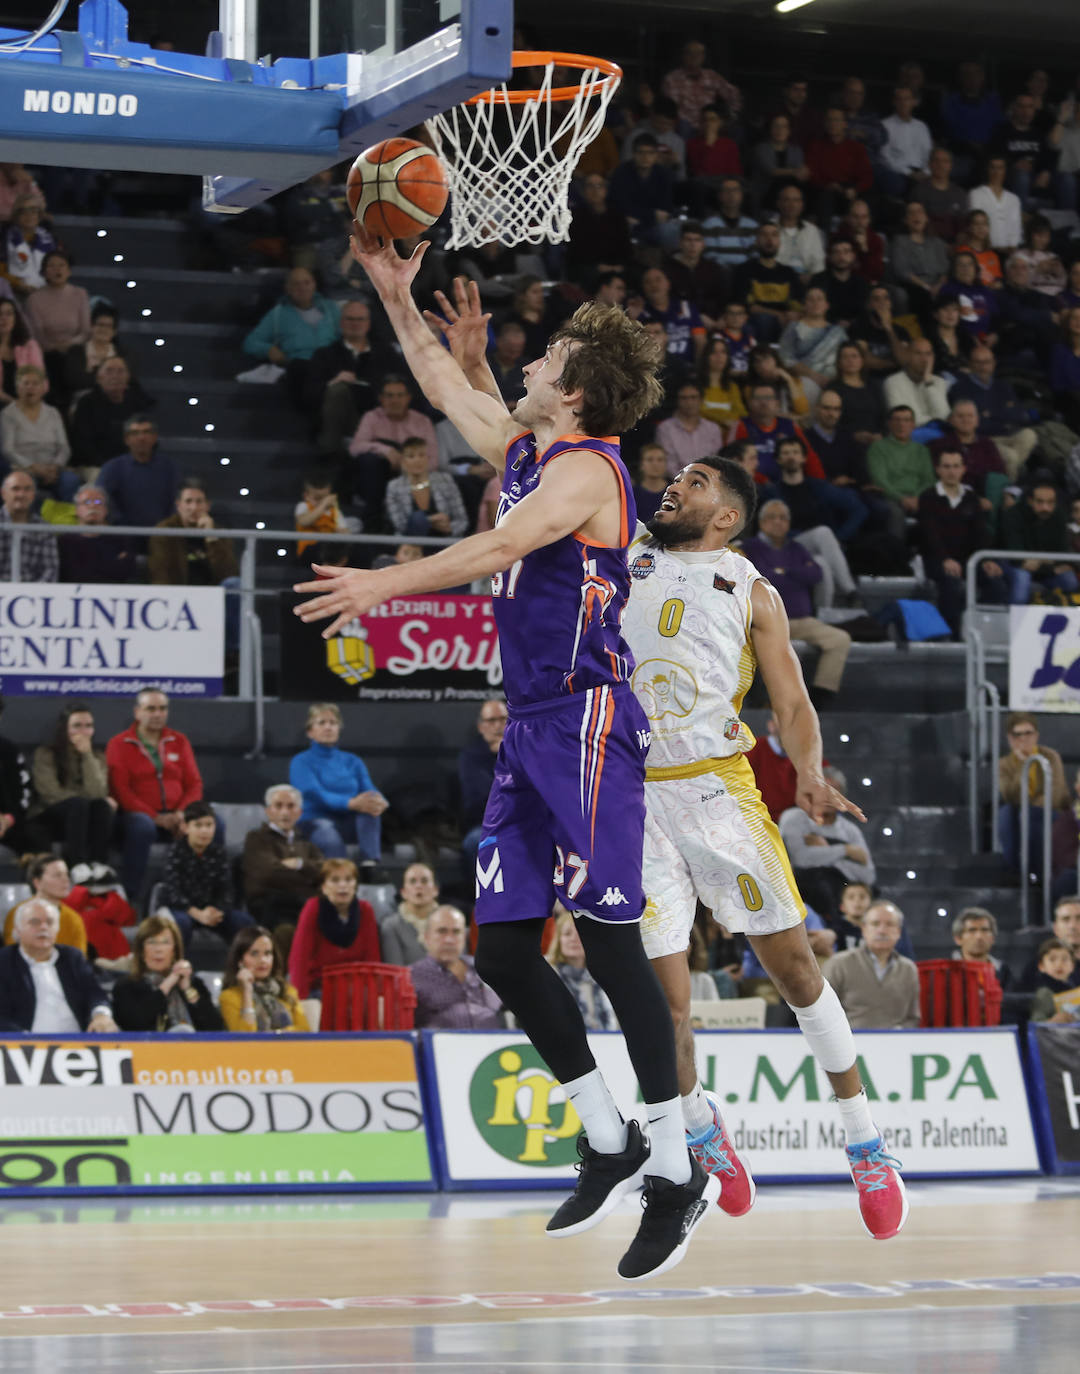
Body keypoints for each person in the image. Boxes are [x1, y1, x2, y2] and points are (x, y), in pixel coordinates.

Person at [295, 246, 721, 1277]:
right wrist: (398, 299)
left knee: (612, 946)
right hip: (530, 725)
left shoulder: (585, 470)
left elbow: (493, 552)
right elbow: (449, 386)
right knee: (501, 951)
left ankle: (676, 1170)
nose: (523, 362)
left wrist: (381, 586)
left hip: (587, 720)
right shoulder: (534, 449)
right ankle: (608, 1134)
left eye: (545, 358)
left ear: (572, 391)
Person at [622, 455, 907, 1239]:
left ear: (727, 517)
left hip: (718, 790)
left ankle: (864, 1140)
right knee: (664, 1003)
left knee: (795, 971)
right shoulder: (624, 548)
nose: (673, 485)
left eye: (696, 482)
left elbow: (791, 698)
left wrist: (809, 771)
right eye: (674, 476)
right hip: (630, 800)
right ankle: (702, 1125)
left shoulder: (751, 586)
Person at [742, 500, 852, 708]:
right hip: (767, 622)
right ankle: (767, 703)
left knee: (840, 639)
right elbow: (763, 579)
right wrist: (792, 573)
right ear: (762, 522)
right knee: (772, 649)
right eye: (773, 517)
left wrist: (783, 572)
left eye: (783, 518)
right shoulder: (750, 548)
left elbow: (815, 574)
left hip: (802, 621)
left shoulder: (797, 548)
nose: (778, 522)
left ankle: (821, 697)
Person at [105, 688, 206, 902]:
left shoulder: (179, 741)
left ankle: (202, 896)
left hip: (177, 815)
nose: (157, 714)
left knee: (213, 824)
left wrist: (181, 814)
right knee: (142, 827)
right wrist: (155, 817)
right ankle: (129, 899)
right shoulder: (119, 744)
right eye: (151, 708)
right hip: (138, 817)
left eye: (162, 708)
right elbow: (120, 790)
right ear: (137, 712)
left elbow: (194, 784)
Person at [918, 448, 1005, 635]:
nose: (952, 471)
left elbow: (980, 533)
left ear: (963, 469)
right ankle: (952, 635)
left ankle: (981, 630)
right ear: (938, 470)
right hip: (936, 559)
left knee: (996, 582)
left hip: (968, 560)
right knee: (950, 582)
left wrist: (986, 559)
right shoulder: (927, 497)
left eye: (956, 466)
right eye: (947, 466)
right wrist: (945, 559)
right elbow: (929, 534)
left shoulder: (972, 499)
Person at [289, 703, 388, 867]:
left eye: (333, 723)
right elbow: (313, 792)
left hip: (347, 821)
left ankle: (370, 865)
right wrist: (350, 803)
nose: (328, 727)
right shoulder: (300, 761)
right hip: (314, 822)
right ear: (310, 732)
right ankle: (339, 873)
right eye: (321, 723)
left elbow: (368, 787)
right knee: (326, 831)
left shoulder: (352, 760)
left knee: (370, 811)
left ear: (339, 729)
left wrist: (379, 801)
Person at [0, 898, 116, 1033]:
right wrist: (23, 1041)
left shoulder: (72, 957)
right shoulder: (4, 961)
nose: (43, 927)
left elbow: (94, 992)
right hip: (23, 1046)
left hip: (79, 1044)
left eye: (50, 922)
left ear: (57, 929)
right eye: (35, 922)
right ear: (18, 931)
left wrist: (101, 1015)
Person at [779, 767, 876, 917]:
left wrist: (826, 850)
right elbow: (801, 859)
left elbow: (867, 875)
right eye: (821, 790)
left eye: (834, 791)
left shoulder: (850, 831)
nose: (826, 797)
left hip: (841, 906)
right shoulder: (794, 818)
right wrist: (846, 852)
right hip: (800, 899)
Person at [30, 702, 115, 868]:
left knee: (102, 806)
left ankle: (99, 865)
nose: (83, 732)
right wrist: (81, 801)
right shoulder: (46, 754)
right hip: (50, 816)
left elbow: (98, 792)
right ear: (64, 728)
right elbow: (49, 793)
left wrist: (87, 756)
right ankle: (77, 865)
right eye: (77, 726)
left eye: (88, 726)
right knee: (79, 805)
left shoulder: (97, 757)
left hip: (83, 817)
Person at [162, 800, 254, 953]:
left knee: (244, 922)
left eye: (209, 825)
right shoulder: (174, 853)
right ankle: (176, 968)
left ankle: (243, 969)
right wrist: (197, 913)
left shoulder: (219, 853)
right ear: (185, 827)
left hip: (212, 911)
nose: (204, 831)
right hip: (184, 910)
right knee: (180, 924)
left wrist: (216, 910)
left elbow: (227, 890)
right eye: (198, 825)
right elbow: (172, 893)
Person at [111, 913, 223, 1032]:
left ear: (174, 950)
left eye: (165, 942)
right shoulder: (126, 986)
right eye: (152, 942)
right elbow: (135, 1023)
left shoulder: (194, 984)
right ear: (141, 951)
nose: (158, 949)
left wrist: (187, 989)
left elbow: (214, 1028)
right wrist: (167, 984)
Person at [288, 858, 380, 1000]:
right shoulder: (313, 908)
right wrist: (300, 1001)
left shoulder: (365, 910)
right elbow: (300, 958)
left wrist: (376, 995)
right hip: (319, 988)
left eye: (349, 879)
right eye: (335, 880)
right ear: (324, 887)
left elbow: (372, 958)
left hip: (355, 989)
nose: (342, 885)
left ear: (355, 885)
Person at [347, 374, 439, 514]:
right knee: (369, 461)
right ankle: (372, 515)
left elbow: (433, 461)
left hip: (414, 476)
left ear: (408, 398)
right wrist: (386, 450)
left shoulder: (422, 421)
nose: (395, 400)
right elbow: (355, 448)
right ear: (381, 399)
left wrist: (407, 465)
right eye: (389, 396)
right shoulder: (372, 417)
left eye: (400, 395)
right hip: (379, 475)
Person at [823, 901, 920, 1030]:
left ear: (899, 932)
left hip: (895, 1046)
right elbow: (823, 1012)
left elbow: (912, 1018)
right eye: (875, 924)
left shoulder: (909, 969)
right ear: (864, 929)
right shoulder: (838, 964)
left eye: (889, 924)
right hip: (848, 1044)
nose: (882, 930)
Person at [241, 784, 325, 929]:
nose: (285, 812)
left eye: (291, 806)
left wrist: (299, 864)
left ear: (299, 812)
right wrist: (308, 878)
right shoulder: (256, 838)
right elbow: (269, 874)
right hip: (270, 905)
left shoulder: (305, 842)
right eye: (278, 806)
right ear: (268, 811)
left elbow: (324, 871)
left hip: (303, 903)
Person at [997, 712, 1069, 873]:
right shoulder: (1004, 764)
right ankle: (1016, 870)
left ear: (1036, 735)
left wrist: (1030, 808)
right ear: (1010, 738)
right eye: (1017, 734)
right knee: (1006, 815)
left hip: (1050, 810)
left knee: (1029, 815)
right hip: (1019, 812)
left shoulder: (1050, 757)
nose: (1023, 739)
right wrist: (1023, 766)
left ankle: (1039, 873)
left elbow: (1056, 792)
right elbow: (1009, 795)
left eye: (1028, 733)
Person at [0, 364, 77, 500]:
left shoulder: (53, 413)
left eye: (35, 383)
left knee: (71, 482)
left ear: (43, 388)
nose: (30, 387)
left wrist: (55, 466)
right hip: (24, 468)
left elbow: (64, 447)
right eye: (26, 383)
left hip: (53, 468)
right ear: (18, 388)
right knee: (26, 484)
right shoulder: (8, 414)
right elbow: (8, 450)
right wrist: (33, 467)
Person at [242, 266, 340, 368]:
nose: (302, 288)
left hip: (330, 367)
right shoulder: (278, 315)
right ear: (287, 288)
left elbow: (346, 338)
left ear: (314, 285)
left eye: (307, 283)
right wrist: (269, 350)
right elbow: (250, 343)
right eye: (296, 284)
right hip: (299, 368)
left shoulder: (331, 308)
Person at [69, 356, 155, 470]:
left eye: (120, 371)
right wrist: (110, 466)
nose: (115, 376)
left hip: (132, 463)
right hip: (95, 465)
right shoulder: (86, 403)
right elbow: (82, 444)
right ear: (99, 377)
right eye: (109, 371)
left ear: (128, 377)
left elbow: (148, 438)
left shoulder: (138, 403)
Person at [220, 924, 310, 1032]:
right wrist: (247, 992)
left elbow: (304, 1031)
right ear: (240, 961)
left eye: (267, 953)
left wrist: (277, 1034)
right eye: (254, 953)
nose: (263, 960)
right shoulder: (229, 997)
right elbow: (244, 1038)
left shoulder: (287, 991)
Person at [1000, 479, 1078, 604]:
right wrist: (1049, 565)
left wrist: (1040, 562)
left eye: (1050, 502)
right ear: (1030, 501)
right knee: (1022, 579)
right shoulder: (1013, 515)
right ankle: (1013, 622)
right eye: (1040, 502)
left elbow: (1063, 554)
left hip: (1044, 568)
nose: (1045, 507)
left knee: (1070, 580)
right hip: (1013, 565)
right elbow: (1017, 557)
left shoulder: (1059, 516)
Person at [96, 414, 178, 530]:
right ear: (126, 439)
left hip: (162, 534)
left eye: (146, 432)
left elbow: (176, 501)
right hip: (122, 534)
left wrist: (167, 526)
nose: (141, 438)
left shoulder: (168, 467)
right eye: (135, 433)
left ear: (155, 437)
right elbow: (101, 500)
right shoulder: (112, 468)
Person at [866, 405, 936, 539]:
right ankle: (897, 556)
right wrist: (902, 499)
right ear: (889, 424)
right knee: (895, 514)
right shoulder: (878, 448)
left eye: (906, 420)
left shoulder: (922, 450)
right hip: (890, 497)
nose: (901, 424)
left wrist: (916, 497)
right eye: (897, 420)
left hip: (917, 497)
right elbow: (879, 480)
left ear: (913, 425)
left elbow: (928, 480)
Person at [457, 700, 508, 885]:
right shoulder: (470, 757)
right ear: (481, 726)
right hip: (486, 824)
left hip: (525, 822)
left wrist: (510, 751)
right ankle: (480, 903)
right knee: (474, 842)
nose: (498, 726)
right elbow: (486, 795)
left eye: (503, 719)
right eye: (491, 720)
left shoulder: (525, 749)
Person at [730, 222, 802, 345]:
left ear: (779, 242)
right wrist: (778, 314)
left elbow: (797, 304)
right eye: (764, 235)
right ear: (757, 241)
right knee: (764, 319)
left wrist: (793, 315)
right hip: (757, 322)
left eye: (774, 235)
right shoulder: (744, 270)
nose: (769, 240)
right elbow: (749, 307)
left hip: (784, 321)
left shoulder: (789, 273)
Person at [546, 906, 617, 1030]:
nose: (574, 939)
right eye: (567, 934)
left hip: (607, 1042)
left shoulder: (605, 975)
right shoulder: (547, 973)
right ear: (558, 939)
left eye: (579, 935)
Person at [384, 436, 469, 539]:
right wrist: (430, 520)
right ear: (403, 460)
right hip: (411, 543)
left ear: (428, 458)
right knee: (417, 518)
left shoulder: (445, 480)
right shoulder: (394, 487)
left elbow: (462, 520)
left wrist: (450, 528)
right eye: (411, 456)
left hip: (444, 542)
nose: (417, 460)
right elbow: (400, 525)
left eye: (421, 455)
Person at [777, 285, 846, 409]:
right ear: (804, 305)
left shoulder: (838, 332)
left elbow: (846, 359)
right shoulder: (794, 328)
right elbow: (785, 358)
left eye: (819, 299)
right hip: (804, 381)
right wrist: (815, 377)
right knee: (807, 385)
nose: (815, 303)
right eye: (811, 299)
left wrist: (835, 381)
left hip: (835, 382)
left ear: (826, 305)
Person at [2, 857, 87, 952]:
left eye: (66, 874)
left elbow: (79, 962)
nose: (66, 880)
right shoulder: (18, 914)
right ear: (37, 882)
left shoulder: (73, 919)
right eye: (57, 875)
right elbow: (12, 958)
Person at [58, 483, 136, 583]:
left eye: (98, 502)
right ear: (76, 510)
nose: (93, 505)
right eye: (86, 502)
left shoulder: (122, 540)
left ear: (106, 510)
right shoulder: (63, 542)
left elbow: (128, 575)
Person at [890, 202, 949, 322]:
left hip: (938, 285)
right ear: (906, 220)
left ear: (926, 218)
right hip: (914, 286)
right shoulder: (900, 241)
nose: (916, 216)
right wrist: (926, 287)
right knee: (923, 297)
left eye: (920, 212)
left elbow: (945, 271)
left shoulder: (937, 242)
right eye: (911, 213)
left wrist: (938, 286)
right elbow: (902, 271)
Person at [882, 337, 950, 439]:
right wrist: (931, 421)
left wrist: (928, 382)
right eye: (918, 353)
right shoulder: (892, 382)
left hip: (938, 435)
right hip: (909, 437)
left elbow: (944, 416)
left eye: (928, 354)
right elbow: (903, 421)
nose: (924, 359)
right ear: (907, 355)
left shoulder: (939, 382)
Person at [655, 382, 725, 477]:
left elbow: (716, 462)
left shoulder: (713, 428)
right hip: (675, 483)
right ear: (677, 401)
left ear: (701, 400)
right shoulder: (665, 428)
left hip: (707, 484)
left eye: (693, 397)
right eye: (684, 398)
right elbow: (668, 464)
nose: (689, 402)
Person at [0, 470, 58, 581]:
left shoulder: (44, 529)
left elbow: (50, 570)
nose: (21, 494)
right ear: (3, 493)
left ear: (33, 495)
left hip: (34, 595)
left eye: (27, 489)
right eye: (15, 489)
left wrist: (31, 595)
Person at [63, 303, 124, 403]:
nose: (103, 329)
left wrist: (92, 374)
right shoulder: (76, 352)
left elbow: (125, 383)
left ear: (114, 331)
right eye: (100, 325)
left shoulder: (123, 354)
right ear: (91, 326)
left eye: (108, 326)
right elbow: (75, 381)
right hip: (81, 402)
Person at [879, 86, 932, 196]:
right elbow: (885, 157)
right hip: (899, 173)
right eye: (900, 99)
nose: (903, 103)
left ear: (914, 102)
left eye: (907, 99)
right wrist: (909, 173)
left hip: (922, 173)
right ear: (894, 102)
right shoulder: (885, 125)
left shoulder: (921, 126)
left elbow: (928, 154)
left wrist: (926, 172)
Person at [911, 146, 969, 243]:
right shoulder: (919, 191)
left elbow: (962, 226)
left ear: (951, 165)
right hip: (928, 244)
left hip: (955, 247)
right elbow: (919, 224)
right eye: (936, 161)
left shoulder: (960, 193)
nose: (940, 165)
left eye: (945, 161)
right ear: (929, 164)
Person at [702, 177, 758, 272]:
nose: (731, 194)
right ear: (720, 196)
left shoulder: (752, 226)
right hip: (719, 273)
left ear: (741, 195)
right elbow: (710, 256)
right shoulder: (709, 225)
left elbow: (755, 255)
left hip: (746, 273)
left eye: (735, 190)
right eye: (727, 191)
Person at [968, 156, 1023, 251]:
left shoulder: (1014, 199)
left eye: (1000, 168)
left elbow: (1016, 228)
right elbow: (975, 224)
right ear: (987, 170)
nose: (996, 172)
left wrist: (1013, 249)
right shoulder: (976, 194)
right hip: (984, 249)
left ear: (1005, 171)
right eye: (993, 167)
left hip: (1009, 251)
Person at [952, 907, 1011, 993]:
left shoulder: (1004, 972)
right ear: (958, 938)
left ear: (993, 938)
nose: (979, 936)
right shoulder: (945, 972)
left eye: (985, 930)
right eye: (972, 930)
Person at [0, 296, 45, 408]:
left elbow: (40, 380)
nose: (4, 318)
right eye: (0, 314)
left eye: (9, 313)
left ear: (16, 318)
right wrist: (15, 404)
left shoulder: (29, 346)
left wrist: (25, 402)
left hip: (27, 403)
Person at [1029, 939, 1080, 1023]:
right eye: (1052, 959)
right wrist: (1054, 1021)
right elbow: (1037, 1024)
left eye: (1064, 959)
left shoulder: (1075, 989)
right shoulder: (1044, 993)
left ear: (1072, 966)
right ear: (1041, 966)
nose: (1059, 964)